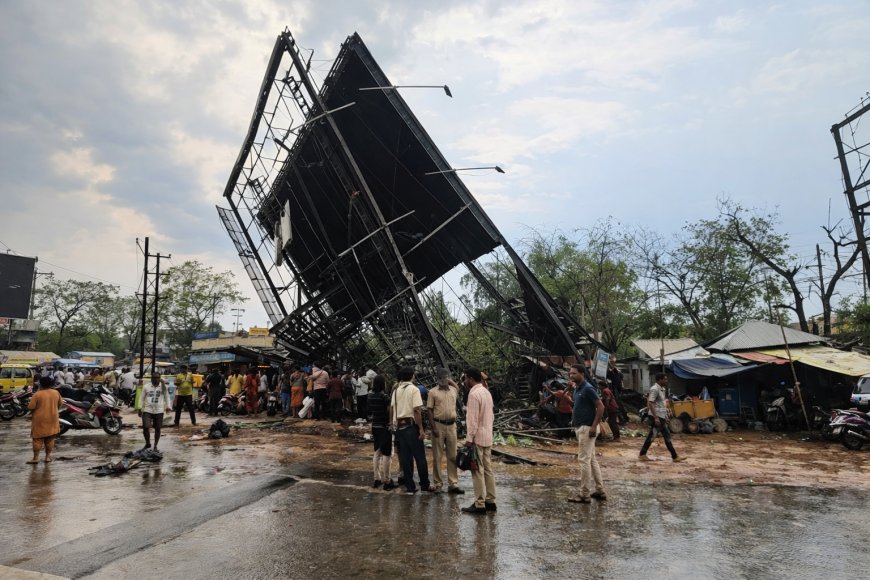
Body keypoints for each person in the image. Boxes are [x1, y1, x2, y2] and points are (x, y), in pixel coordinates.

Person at [567, 364, 607, 503]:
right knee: (591, 459)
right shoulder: (577, 389)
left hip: (587, 428)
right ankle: (600, 490)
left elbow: (600, 406)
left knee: (583, 460)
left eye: (574, 373)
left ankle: (584, 494)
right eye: (570, 373)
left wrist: (594, 426)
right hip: (581, 427)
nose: (571, 376)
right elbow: (579, 405)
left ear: (582, 374)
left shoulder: (588, 388)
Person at [390, 367, 433, 494]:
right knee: (420, 457)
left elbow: (392, 408)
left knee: (405, 458)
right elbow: (416, 410)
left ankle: (410, 486)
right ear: (412, 376)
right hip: (411, 426)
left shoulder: (396, 390)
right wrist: (421, 429)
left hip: (399, 427)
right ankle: (424, 484)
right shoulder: (414, 389)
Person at [462, 368, 496, 514]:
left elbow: (472, 420)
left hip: (477, 438)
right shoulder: (486, 392)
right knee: (488, 470)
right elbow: (491, 415)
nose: (464, 382)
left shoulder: (474, 394)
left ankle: (479, 503)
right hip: (488, 435)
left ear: (470, 378)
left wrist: (469, 438)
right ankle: (491, 501)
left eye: (465, 379)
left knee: (477, 471)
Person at [426, 368, 464, 494]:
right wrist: (433, 428)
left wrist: (450, 380)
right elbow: (429, 410)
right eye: (440, 378)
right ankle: (437, 483)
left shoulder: (454, 390)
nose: (443, 380)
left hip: (452, 426)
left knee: (452, 455)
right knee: (437, 456)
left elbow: (457, 386)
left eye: (445, 378)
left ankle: (453, 483)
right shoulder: (433, 392)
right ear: (437, 379)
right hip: (438, 425)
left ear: (448, 378)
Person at [639, 373, 685, 463]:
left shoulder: (662, 389)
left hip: (661, 416)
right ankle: (642, 454)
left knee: (664, 435)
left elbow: (660, 403)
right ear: (659, 380)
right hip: (657, 417)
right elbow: (651, 403)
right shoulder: (655, 389)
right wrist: (656, 418)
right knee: (653, 435)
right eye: (665, 379)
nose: (666, 381)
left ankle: (675, 456)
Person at [26, 376, 64, 464]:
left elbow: (31, 407)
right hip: (53, 418)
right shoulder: (56, 393)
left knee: (37, 439)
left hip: (40, 419)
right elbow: (60, 404)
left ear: (41, 384)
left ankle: (35, 458)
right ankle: (47, 457)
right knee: (50, 439)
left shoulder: (37, 394)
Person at [368, 375, 396, 490]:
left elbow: (369, 411)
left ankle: (376, 478)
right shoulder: (384, 397)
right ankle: (387, 480)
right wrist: (390, 423)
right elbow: (390, 409)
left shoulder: (370, 396)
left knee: (377, 452)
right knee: (387, 454)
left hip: (375, 426)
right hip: (384, 427)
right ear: (383, 384)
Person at [140, 373, 171, 451]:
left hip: (159, 410)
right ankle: (148, 443)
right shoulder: (146, 387)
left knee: (157, 428)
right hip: (148, 410)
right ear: (151, 378)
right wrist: (140, 408)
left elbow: (167, 396)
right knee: (146, 427)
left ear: (159, 378)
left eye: (157, 378)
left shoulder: (163, 387)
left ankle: (155, 446)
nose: (155, 379)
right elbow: (141, 398)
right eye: (154, 378)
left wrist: (168, 406)